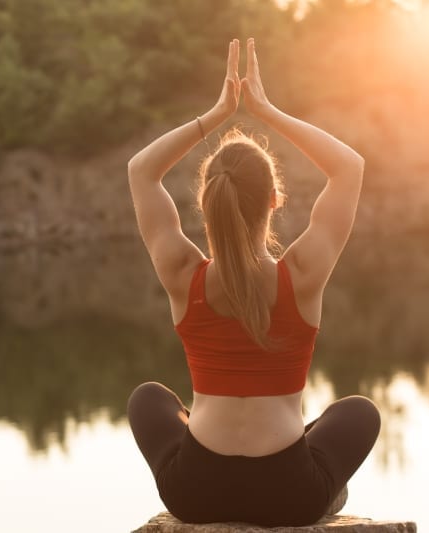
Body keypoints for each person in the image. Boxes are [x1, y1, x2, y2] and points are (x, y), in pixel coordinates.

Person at [126, 38, 380, 527]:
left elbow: (141, 172)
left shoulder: (183, 274)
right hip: (289, 495)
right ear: (273, 201)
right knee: (358, 411)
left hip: (195, 491)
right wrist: (266, 112)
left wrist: (216, 115)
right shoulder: (302, 275)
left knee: (148, 397)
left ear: (205, 204)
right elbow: (349, 168)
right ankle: (325, 487)